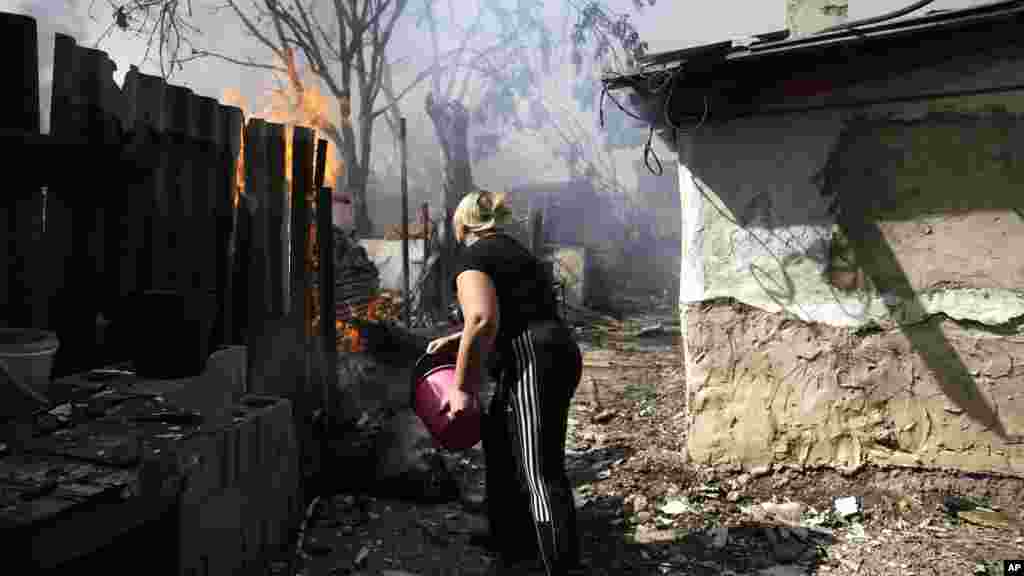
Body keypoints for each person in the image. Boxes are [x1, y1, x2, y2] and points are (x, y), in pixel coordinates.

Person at [426, 189, 583, 575]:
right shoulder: (515, 250)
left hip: (534, 357)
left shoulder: (473, 256)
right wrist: (456, 339)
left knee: (539, 469)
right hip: (553, 348)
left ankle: (558, 565)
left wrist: (461, 388)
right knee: (499, 440)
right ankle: (511, 543)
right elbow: (511, 309)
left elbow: (481, 321)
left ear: (462, 225)